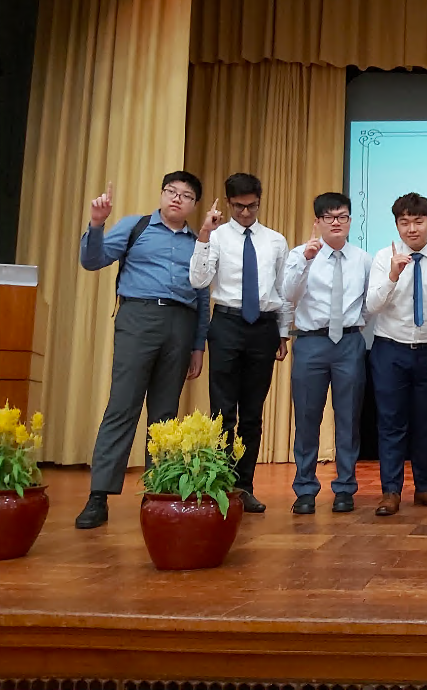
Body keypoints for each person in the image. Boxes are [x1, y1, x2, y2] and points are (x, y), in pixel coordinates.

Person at [74, 173, 210, 529]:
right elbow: (93, 260)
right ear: (162, 195)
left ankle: (158, 495)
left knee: (165, 414)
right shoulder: (135, 227)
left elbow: (203, 296)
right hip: (138, 316)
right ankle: (98, 497)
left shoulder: (199, 242)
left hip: (181, 324)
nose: (177, 199)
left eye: (186, 195)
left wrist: (198, 346)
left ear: (194, 205)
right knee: (122, 405)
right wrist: (97, 224)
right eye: (171, 192)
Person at [189, 173, 292, 513]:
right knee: (222, 411)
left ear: (259, 201)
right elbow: (199, 279)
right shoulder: (216, 237)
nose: (245, 213)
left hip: (263, 326)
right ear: (228, 203)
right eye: (238, 207)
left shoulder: (275, 241)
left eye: (251, 206)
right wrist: (204, 234)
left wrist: (282, 331)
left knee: (252, 413)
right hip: (228, 323)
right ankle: (220, 484)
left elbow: (282, 291)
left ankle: (244, 486)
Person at [365, 193, 427, 517]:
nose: (412, 229)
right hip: (390, 349)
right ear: (397, 225)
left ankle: (426, 488)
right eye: (405, 222)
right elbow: (371, 306)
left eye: (418, 221)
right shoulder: (382, 257)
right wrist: (392, 275)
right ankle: (390, 492)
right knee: (390, 423)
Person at [282, 192, 371, 515]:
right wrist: (305, 261)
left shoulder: (362, 258)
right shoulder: (300, 254)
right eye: (329, 217)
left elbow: (368, 305)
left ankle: (345, 488)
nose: (336, 222)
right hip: (311, 342)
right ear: (317, 222)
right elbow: (287, 297)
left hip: (348, 342)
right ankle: (305, 488)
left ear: (350, 220)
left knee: (348, 418)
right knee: (307, 418)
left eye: (342, 216)